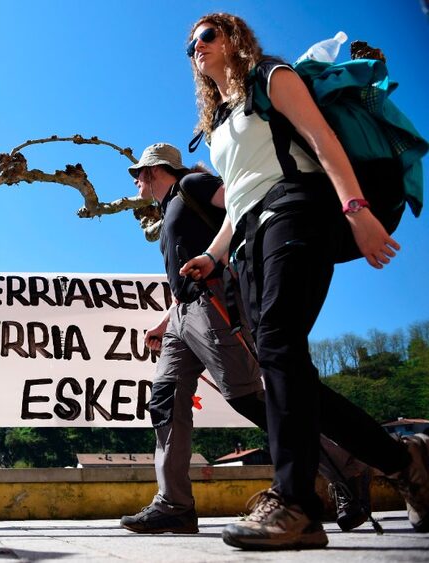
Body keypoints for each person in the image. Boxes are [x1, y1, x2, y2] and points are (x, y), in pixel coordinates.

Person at [179, 13, 429, 550]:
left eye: (205, 35)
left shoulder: (270, 76)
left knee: (278, 348)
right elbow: (242, 191)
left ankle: (295, 503)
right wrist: (213, 254)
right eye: (189, 46)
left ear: (232, 37)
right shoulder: (218, 121)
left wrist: (356, 210)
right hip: (249, 236)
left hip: (299, 210)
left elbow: (318, 139)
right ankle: (403, 461)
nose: (195, 49)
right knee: (281, 365)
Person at [119, 143, 373, 535]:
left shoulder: (195, 184)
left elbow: (242, 206)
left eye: (139, 173)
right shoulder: (170, 206)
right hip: (183, 315)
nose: (136, 180)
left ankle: (346, 468)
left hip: (216, 305)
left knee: (248, 399)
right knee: (164, 401)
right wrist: (164, 321)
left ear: (155, 170)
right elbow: (185, 278)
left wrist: (219, 259)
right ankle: (174, 505)